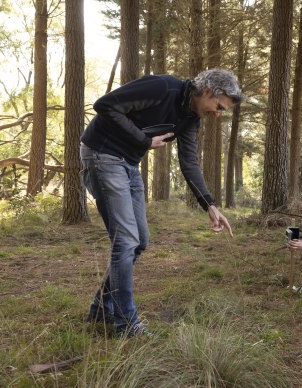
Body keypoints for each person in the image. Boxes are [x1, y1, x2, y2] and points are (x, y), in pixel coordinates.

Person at [80, 68, 243, 337]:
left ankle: (101, 309)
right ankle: (126, 325)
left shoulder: (190, 119)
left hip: (128, 164)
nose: (217, 114)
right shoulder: (162, 88)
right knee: (126, 240)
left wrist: (210, 205)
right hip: (102, 154)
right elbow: (105, 105)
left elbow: (189, 163)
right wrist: (143, 140)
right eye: (219, 107)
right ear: (207, 91)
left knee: (139, 240)